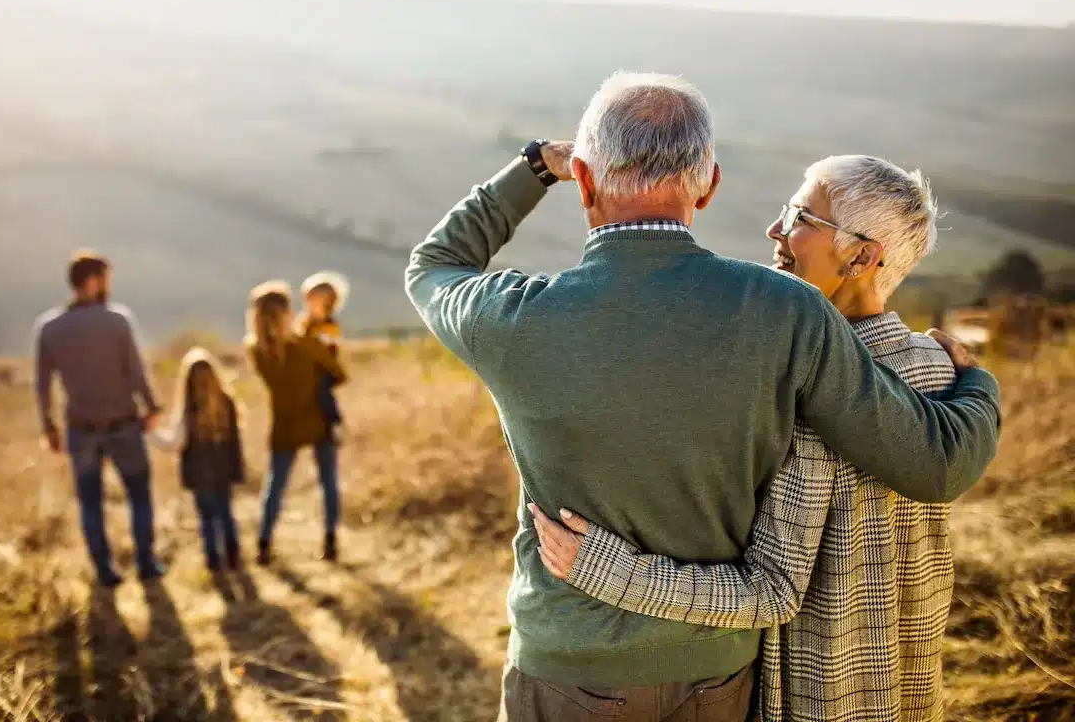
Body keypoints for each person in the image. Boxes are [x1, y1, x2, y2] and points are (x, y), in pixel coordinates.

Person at [404, 72, 1002, 722]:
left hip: (567, 673)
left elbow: (434, 265)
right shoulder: (787, 311)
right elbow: (934, 464)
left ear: (583, 176)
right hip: (718, 679)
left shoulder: (511, 315)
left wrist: (532, 171)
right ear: (709, 184)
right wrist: (976, 383)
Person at [532, 154, 977, 722]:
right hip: (909, 693)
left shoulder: (805, 394)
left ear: (862, 256)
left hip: (818, 703)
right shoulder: (939, 367)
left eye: (801, 217)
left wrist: (604, 568)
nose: (775, 229)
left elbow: (771, 590)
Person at [34, 250, 164, 588]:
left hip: (81, 428)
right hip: (123, 423)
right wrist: (152, 407)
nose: (109, 286)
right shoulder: (117, 320)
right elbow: (136, 371)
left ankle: (105, 571)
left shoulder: (49, 328)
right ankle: (147, 564)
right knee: (139, 495)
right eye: (105, 279)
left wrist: (49, 426)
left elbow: (43, 384)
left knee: (91, 503)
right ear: (92, 281)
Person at [245, 281, 348, 564]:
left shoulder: (255, 350)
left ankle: (263, 544)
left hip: (284, 424)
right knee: (328, 482)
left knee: (275, 486)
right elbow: (340, 374)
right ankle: (330, 541)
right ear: (287, 313)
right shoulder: (307, 344)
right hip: (318, 420)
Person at [155, 347, 245, 573]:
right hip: (224, 471)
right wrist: (237, 469)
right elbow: (235, 443)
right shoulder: (227, 403)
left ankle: (213, 561)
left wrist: (150, 433)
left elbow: (173, 442)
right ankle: (233, 556)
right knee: (226, 514)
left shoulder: (188, 410)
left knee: (207, 519)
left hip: (198, 474)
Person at [297, 271, 350, 442]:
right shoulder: (304, 322)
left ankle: (335, 421)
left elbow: (327, 350)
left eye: (315, 301)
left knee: (322, 391)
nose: (310, 305)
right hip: (305, 370)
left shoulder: (329, 326)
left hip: (323, 371)